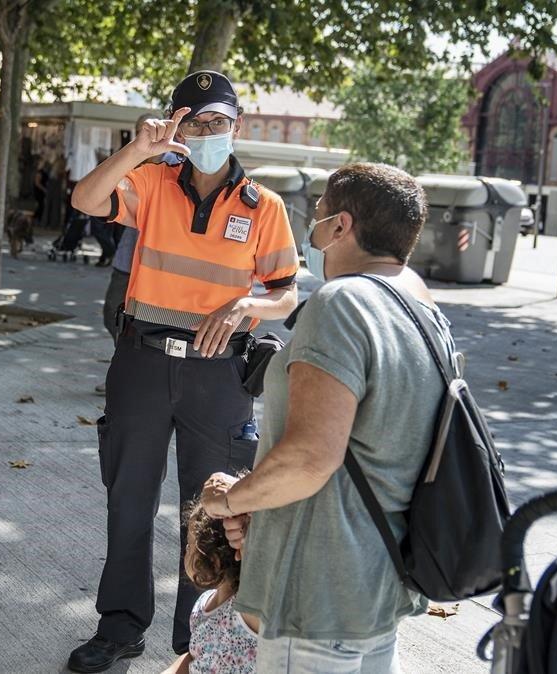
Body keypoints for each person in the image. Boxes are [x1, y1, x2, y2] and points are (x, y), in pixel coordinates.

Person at [66, 70, 300, 673]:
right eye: (193, 122)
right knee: (128, 500)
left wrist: (249, 304)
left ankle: (197, 642)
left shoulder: (263, 206)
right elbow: (85, 201)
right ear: (175, 126)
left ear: (236, 126)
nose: (206, 132)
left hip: (217, 376)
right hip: (142, 364)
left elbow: (286, 294)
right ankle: (119, 626)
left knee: (216, 514)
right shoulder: (149, 180)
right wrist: (137, 148)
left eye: (217, 121)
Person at [201, 164, 453, 673]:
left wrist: (229, 500)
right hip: (376, 583)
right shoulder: (420, 305)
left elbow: (310, 459)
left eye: (316, 217)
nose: (310, 233)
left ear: (341, 226)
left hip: (316, 593)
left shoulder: (341, 303)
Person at [96, 114, 182, 395]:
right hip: (126, 258)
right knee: (112, 313)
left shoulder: (175, 167)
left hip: (155, 263)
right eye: (139, 130)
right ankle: (125, 367)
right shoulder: (127, 161)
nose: (145, 135)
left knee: (146, 323)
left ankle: (133, 379)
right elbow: (93, 197)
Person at [162, 489, 259, 674]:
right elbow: (195, 655)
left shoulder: (247, 612)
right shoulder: (204, 604)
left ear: (212, 561)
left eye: (190, 546)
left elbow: (258, 564)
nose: (186, 551)